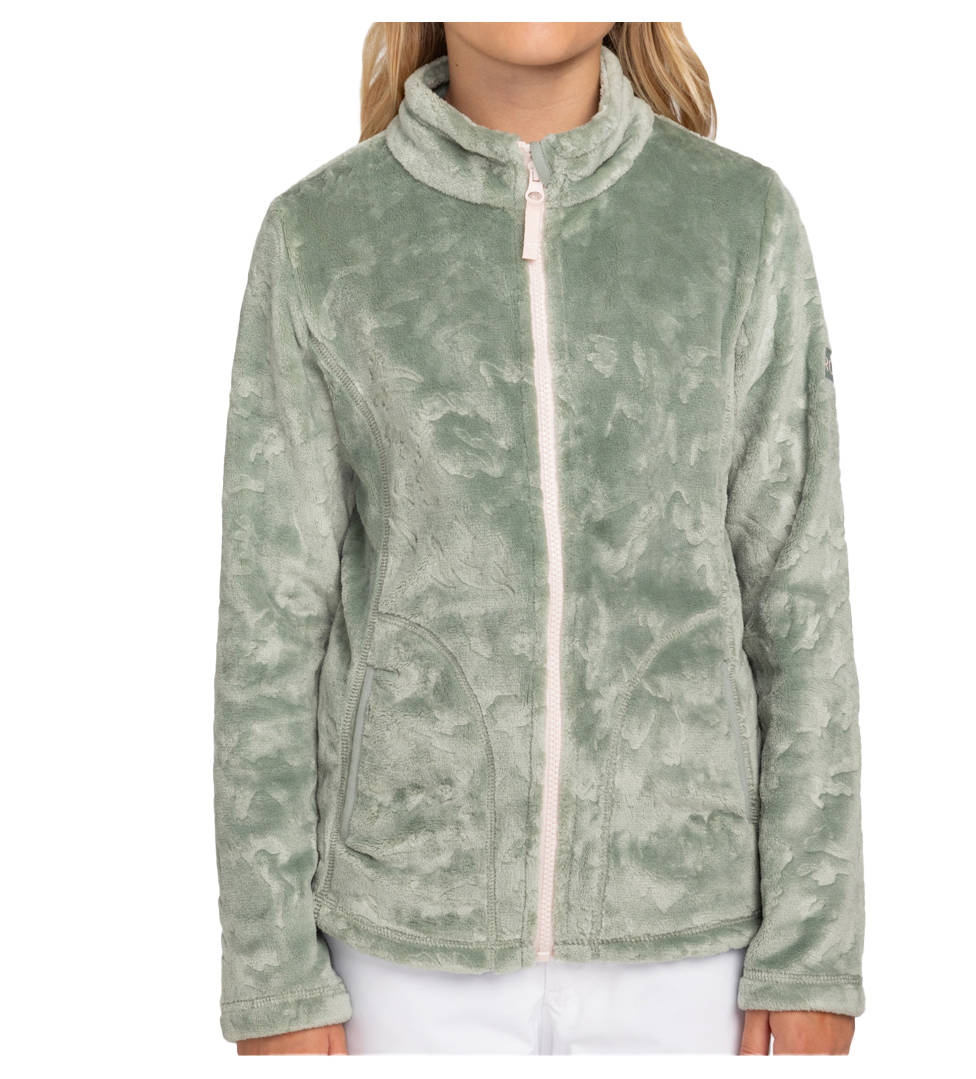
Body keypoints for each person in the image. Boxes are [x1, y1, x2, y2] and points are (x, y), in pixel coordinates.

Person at [212, 20, 864, 1056]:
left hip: (694, 948)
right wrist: (272, 975)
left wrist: (813, 949)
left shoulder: (738, 222)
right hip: (399, 948)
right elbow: (268, 631)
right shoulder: (322, 235)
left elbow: (800, 604)